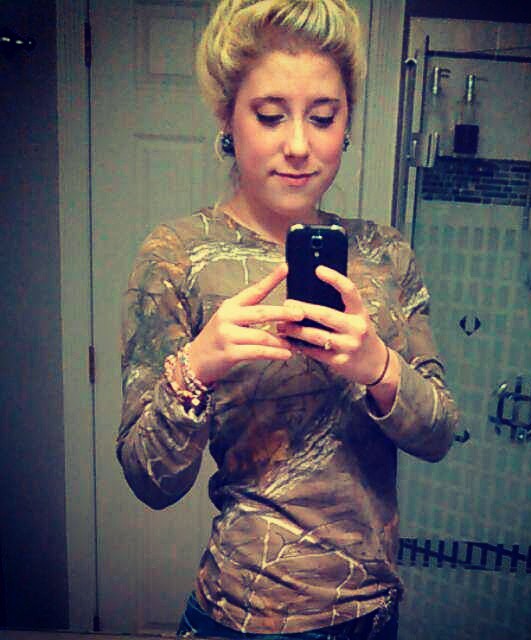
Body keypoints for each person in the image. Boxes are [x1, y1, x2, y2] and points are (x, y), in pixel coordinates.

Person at [116, 1, 459, 638]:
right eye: (271, 115)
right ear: (228, 117)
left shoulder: (385, 254)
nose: (299, 145)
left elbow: (439, 433)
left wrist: (378, 367)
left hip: (371, 615)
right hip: (239, 616)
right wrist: (196, 368)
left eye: (323, 117)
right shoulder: (176, 256)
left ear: (346, 122)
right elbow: (149, 478)